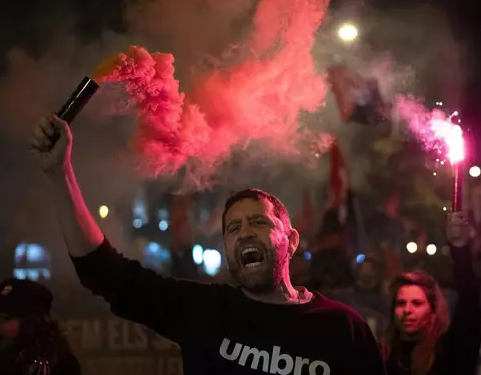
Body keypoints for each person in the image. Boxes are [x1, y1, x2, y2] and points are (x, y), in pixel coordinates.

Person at [30, 114, 386, 374]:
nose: (244, 232)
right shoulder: (204, 311)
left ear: (290, 240)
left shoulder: (344, 328)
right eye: (232, 228)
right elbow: (103, 272)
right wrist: (59, 175)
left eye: (258, 222)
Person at [381, 212, 481, 375]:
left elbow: (469, 300)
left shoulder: (453, 350)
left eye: (417, 303)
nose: (407, 310)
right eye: (400, 303)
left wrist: (459, 248)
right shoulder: (385, 356)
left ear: (433, 309)